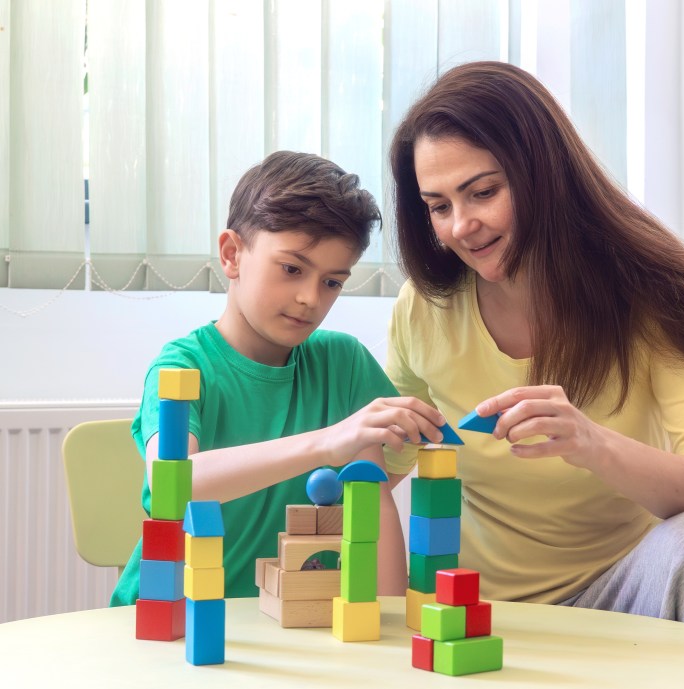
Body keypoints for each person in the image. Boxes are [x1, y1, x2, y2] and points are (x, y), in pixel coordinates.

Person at [385, 61, 684, 645]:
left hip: (624, 592)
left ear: (543, 173)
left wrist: (589, 442)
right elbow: (377, 469)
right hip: (478, 613)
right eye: (438, 206)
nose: (462, 226)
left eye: (483, 192)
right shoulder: (424, 308)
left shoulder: (655, 294)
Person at [111, 151, 447, 605]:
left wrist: (384, 623)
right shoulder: (182, 367)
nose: (310, 298)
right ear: (232, 254)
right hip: (172, 617)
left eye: (332, 282)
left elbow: (372, 505)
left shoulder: (344, 363)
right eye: (292, 269)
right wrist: (328, 442)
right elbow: (177, 482)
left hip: (292, 620)